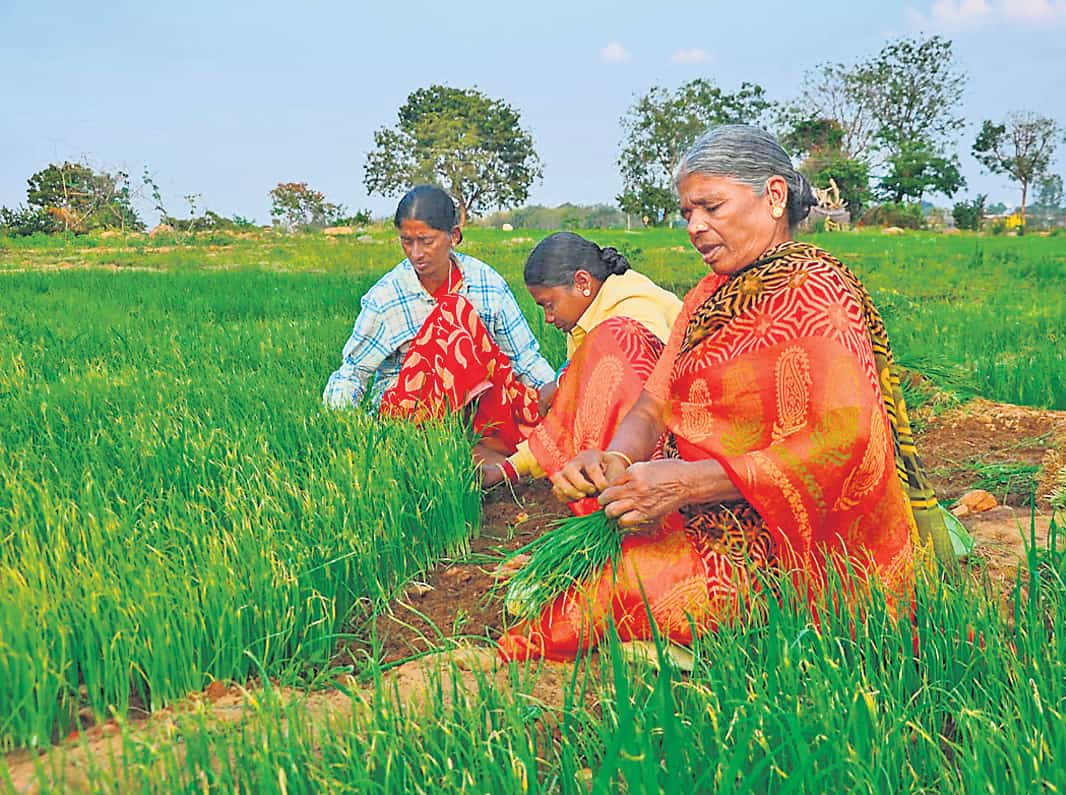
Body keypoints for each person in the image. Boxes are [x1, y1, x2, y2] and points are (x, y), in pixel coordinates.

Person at [498, 126, 954, 662]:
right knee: (596, 563)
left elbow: (842, 440)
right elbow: (653, 403)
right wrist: (616, 458)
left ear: (775, 197)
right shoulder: (708, 294)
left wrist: (689, 484)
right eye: (687, 212)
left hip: (782, 537)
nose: (695, 227)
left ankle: (501, 661)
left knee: (616, 592)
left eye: (710, 207)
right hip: (700, 501)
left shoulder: (817, 292)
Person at [323, 185, 555, 451]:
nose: (416, 253)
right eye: (406, 241)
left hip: (482, 405)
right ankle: (443, 444)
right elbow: (353, 373)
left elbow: (524, 358)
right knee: (452, 314)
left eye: (426, 241)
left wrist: (556, 399)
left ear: (454, 236)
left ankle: (488, 444)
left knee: (457, 314)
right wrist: (343, 428)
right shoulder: (386, 298)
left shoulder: (487, 284)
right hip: (413, 415)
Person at [480, 232, 681, 506]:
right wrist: (509, 469)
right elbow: (572, 413)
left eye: (549, 305)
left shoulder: (628, 321)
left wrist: (564, 382)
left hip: (668, 449)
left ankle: (613, 494)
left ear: (582, 282)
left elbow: (642, 398)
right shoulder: (586, 321)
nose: (548, 318)